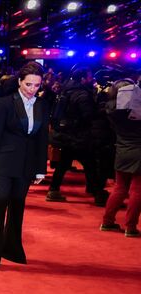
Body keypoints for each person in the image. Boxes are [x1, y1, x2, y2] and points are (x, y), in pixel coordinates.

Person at [0, 62, 49, 271]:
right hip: (2, 163)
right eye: (28, 84)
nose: (32, 89)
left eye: (36, 85)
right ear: (19, 82)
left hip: (26, 166)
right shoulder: (4, 103)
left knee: (18, 207)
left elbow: (41, 139)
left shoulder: (41, 105)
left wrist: (40, 168)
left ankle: (12, 250)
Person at [47, 68, 105, 205]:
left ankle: (53, 189)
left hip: (67, 134)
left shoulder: (66, 91)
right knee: (90, 164)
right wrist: (100, 108)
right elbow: (88, 115)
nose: (92, 79)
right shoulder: (83, 95)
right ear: (83, 79)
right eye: (90, 77)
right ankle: (98, 194)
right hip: (79, 135)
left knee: (64, 163)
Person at [101, 79, 141, 238]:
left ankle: (107, 221)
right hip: (139, 150)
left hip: (122, 150)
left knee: (120, 188)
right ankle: (130, 227)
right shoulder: (137, 110)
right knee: (137, 190)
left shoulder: (111, 109)